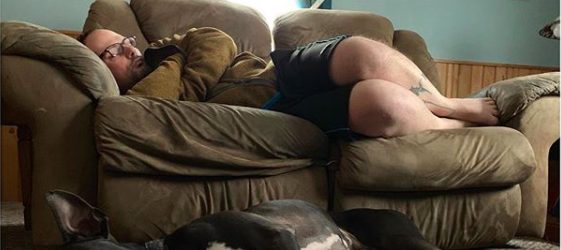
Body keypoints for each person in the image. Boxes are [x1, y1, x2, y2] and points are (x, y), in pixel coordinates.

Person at [80, 27, 499, 139]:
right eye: (113, 51)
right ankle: (454, 125)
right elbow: (159, 107)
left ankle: (450, 104)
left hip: (273, 72)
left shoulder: (168, 48)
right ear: (96, 67)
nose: (129, 50)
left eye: (126, 41)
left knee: (361, 52)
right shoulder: (136, 97)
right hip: (272, 114)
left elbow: (216, 40)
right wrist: (173, 65)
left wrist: (175, 67)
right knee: (384, 105)